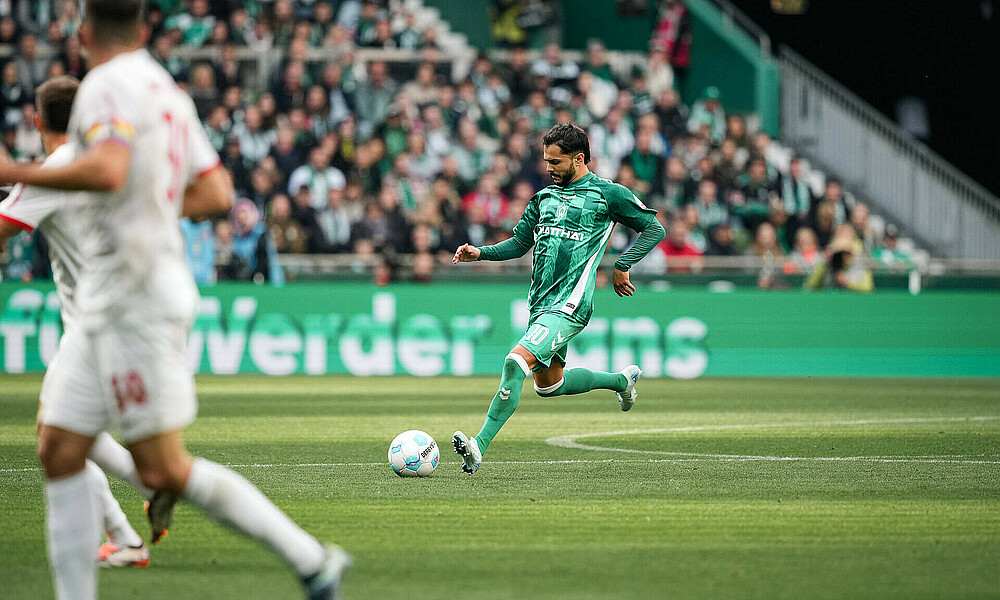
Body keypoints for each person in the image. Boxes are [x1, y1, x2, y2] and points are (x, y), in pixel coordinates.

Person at [0, 3, 349, 599]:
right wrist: (149, 209)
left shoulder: (105, 88)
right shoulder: (165, 89)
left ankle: (313, 562)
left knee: (164, 469)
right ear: (142, 28)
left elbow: (109, 169)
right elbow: (215, 191)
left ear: (82, 34)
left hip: (132, 298)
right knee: (58, 447)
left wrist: (14, 168)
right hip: (108, 300)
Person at [0, 76, 155, 569]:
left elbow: (5, 228)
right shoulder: (97, 163)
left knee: (57, 436)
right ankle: (133, 520)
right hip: (122, 311)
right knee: (64, 436)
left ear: (36, 120)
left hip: (97, 322)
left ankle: (145, 502)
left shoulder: (57, 171)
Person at [450, 123, 665, 474]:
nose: (548, 167)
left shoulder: (607, 194)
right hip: (540, 305)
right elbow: (520, 244)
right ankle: (622, 382)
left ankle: (479, 446)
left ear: (579, 159)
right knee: (550, 386)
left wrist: (623, 264)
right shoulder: (543, 198)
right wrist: (482, 253)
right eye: (546, 160)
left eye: (555, 161)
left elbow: (654, 228)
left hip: (570, 305)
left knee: (513, 363)